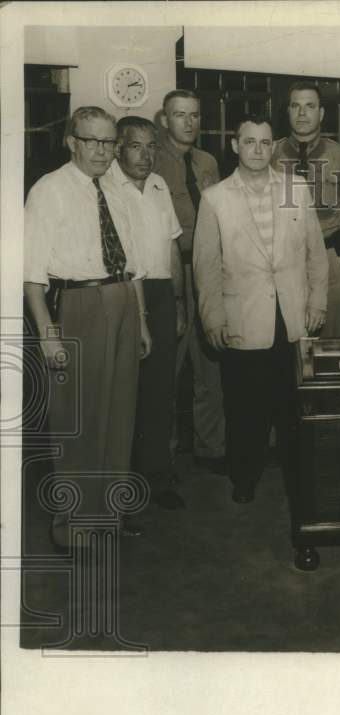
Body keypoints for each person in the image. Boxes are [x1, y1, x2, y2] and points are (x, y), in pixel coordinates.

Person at [23, 106, 151, 550]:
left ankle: (107, 518)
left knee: (119, 417)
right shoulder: (49, 190)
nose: (102, 150)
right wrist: (47, 333)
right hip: (77, 303)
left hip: (122, 302)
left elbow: (132, 265)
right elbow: (32, 274)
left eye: (109, 141)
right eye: (92, 140)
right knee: (78, 420)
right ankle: (72, 527)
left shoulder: (117, 191)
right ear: (71, 141)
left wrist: (143, 321)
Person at [193, 116, 328, 504]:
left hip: (293, 317)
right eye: (249, 142)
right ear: (235, 145)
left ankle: (295, 478)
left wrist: (317, 300)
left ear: (274, 147)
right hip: (243, 319)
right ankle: (245, 478)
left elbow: (315, 253)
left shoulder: (296, 189)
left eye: (265, 143)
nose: (257, 150)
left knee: (292, 408)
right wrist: (213, 317)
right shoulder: (214, 198)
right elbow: (205, 267)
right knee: (245, 408)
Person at [108, 116, 187, 509]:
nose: (145, 155)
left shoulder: (158, 185)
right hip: (121, 294)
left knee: (160, 393)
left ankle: (157, 477)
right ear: (119, 147)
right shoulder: (105, 187)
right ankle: (122, 484)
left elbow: (172, 247)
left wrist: (177, 303)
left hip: (159, 293)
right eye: (136, 146)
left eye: (152, 146)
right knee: (124, 394)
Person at [153, 89, 226, 475]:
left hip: (209, 273)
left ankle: (210, 449)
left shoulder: (208, 161)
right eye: (180, 115)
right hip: (172, 273)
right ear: (164, 119)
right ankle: (163, 457)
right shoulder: (152, 160)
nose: (189, 122)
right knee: (167, 370)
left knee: (210, 366)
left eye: (195, 115)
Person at [271, 81, 340, 337]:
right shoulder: (271, 154)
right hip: (283, 260)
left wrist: (337, 251)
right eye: (295, 106)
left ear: (321, 113)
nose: (302, 113)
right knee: (286, 337)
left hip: (330, 256)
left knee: (329, 342)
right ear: (286, 112)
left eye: (310, 106)